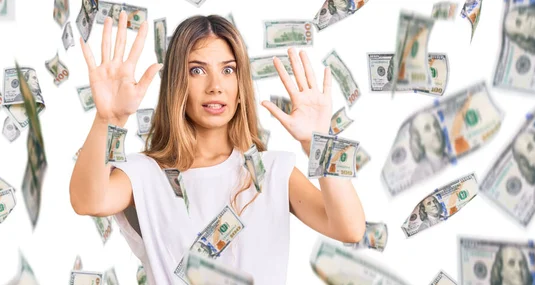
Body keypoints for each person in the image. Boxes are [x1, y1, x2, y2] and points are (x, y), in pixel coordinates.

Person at [70, 12, 365, 285]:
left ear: (240, 87)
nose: (215, 86)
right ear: (176, 84)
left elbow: (349, 228)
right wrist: (109, 119)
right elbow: (88, 201)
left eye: (228, 70)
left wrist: (320, 143)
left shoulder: (271, 171)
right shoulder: (146, 173)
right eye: (197, 70)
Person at [409, 112, 448, 182]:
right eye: (427, 129)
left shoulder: (451, 157)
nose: (435, 131)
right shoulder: (419, 175)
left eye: (436, 125)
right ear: (419, 140)